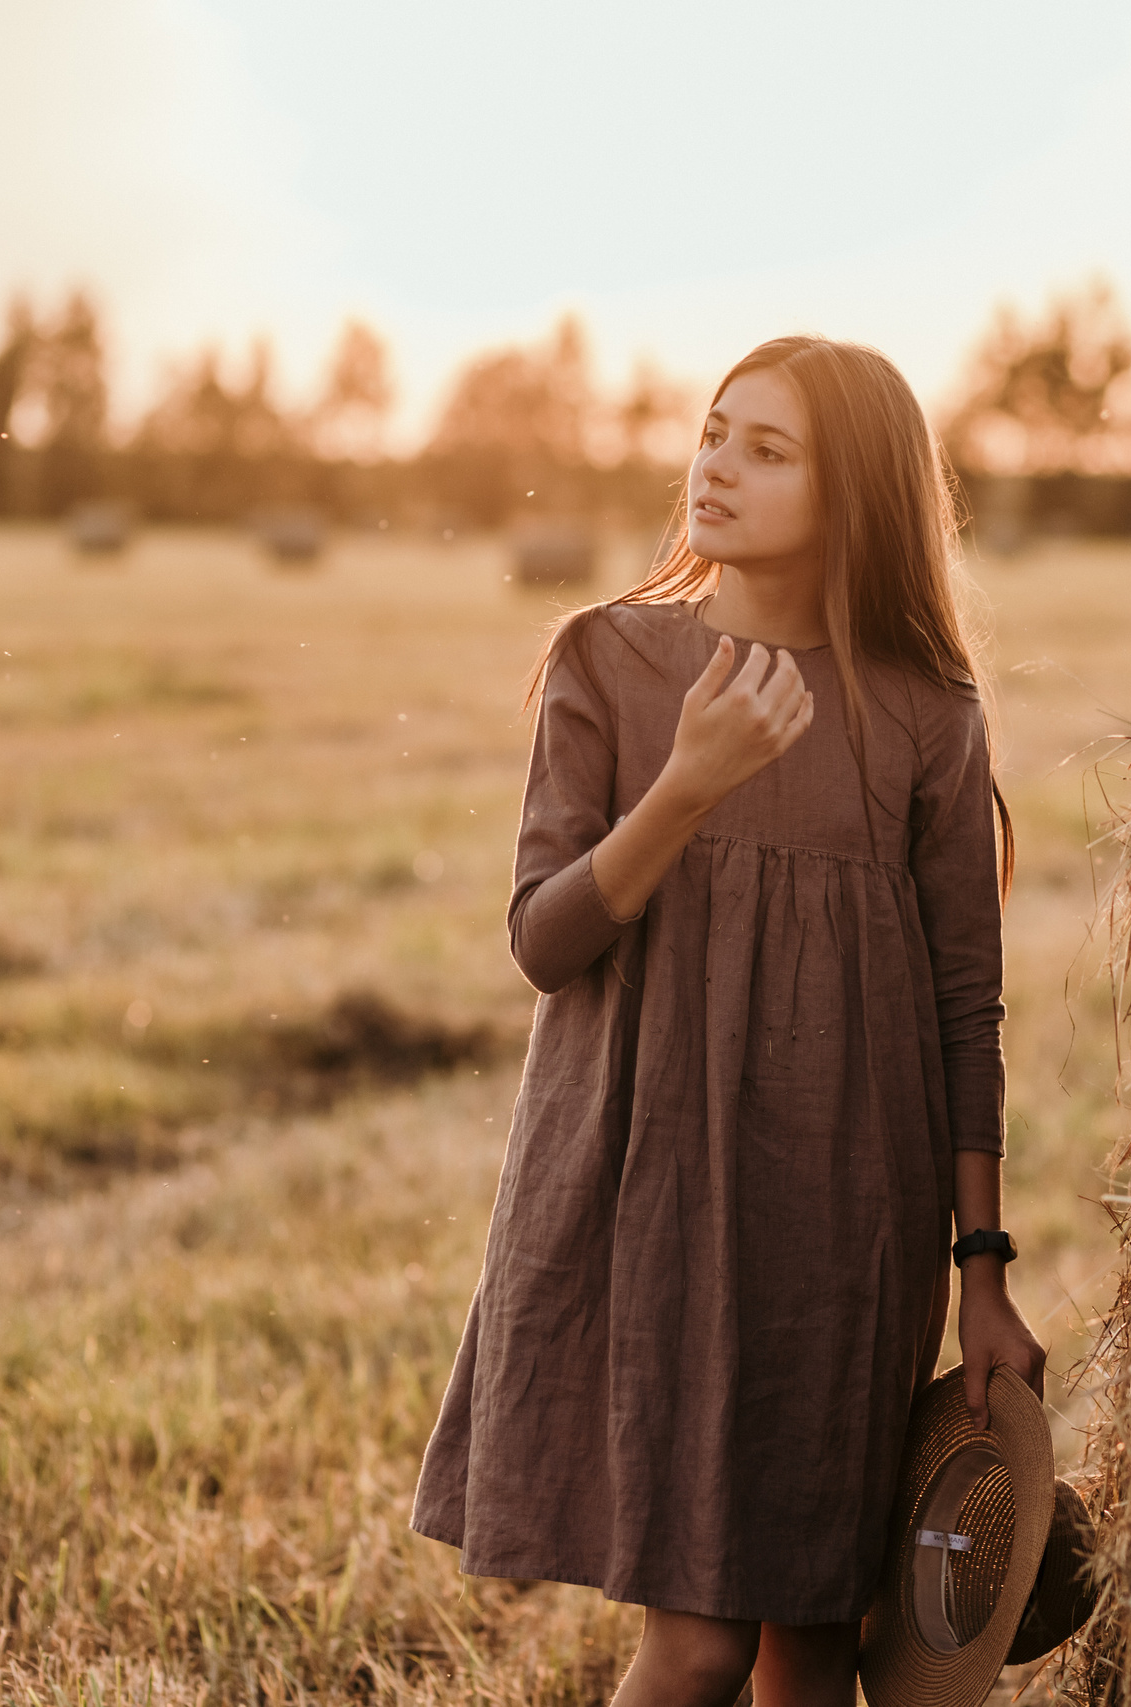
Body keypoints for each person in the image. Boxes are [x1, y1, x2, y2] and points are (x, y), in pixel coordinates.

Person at [410, 336, 1046, 1707]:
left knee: (812, 1644)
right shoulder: (612, 662)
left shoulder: (926, 718)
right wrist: (687, 786)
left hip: (845, 1224)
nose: (718, 469)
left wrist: (982, 1269)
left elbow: (961, 1006)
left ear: (857, 492)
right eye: (713, 435)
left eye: (768, 450)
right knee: (698, 1643)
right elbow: (545, 940)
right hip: (654, 1192)